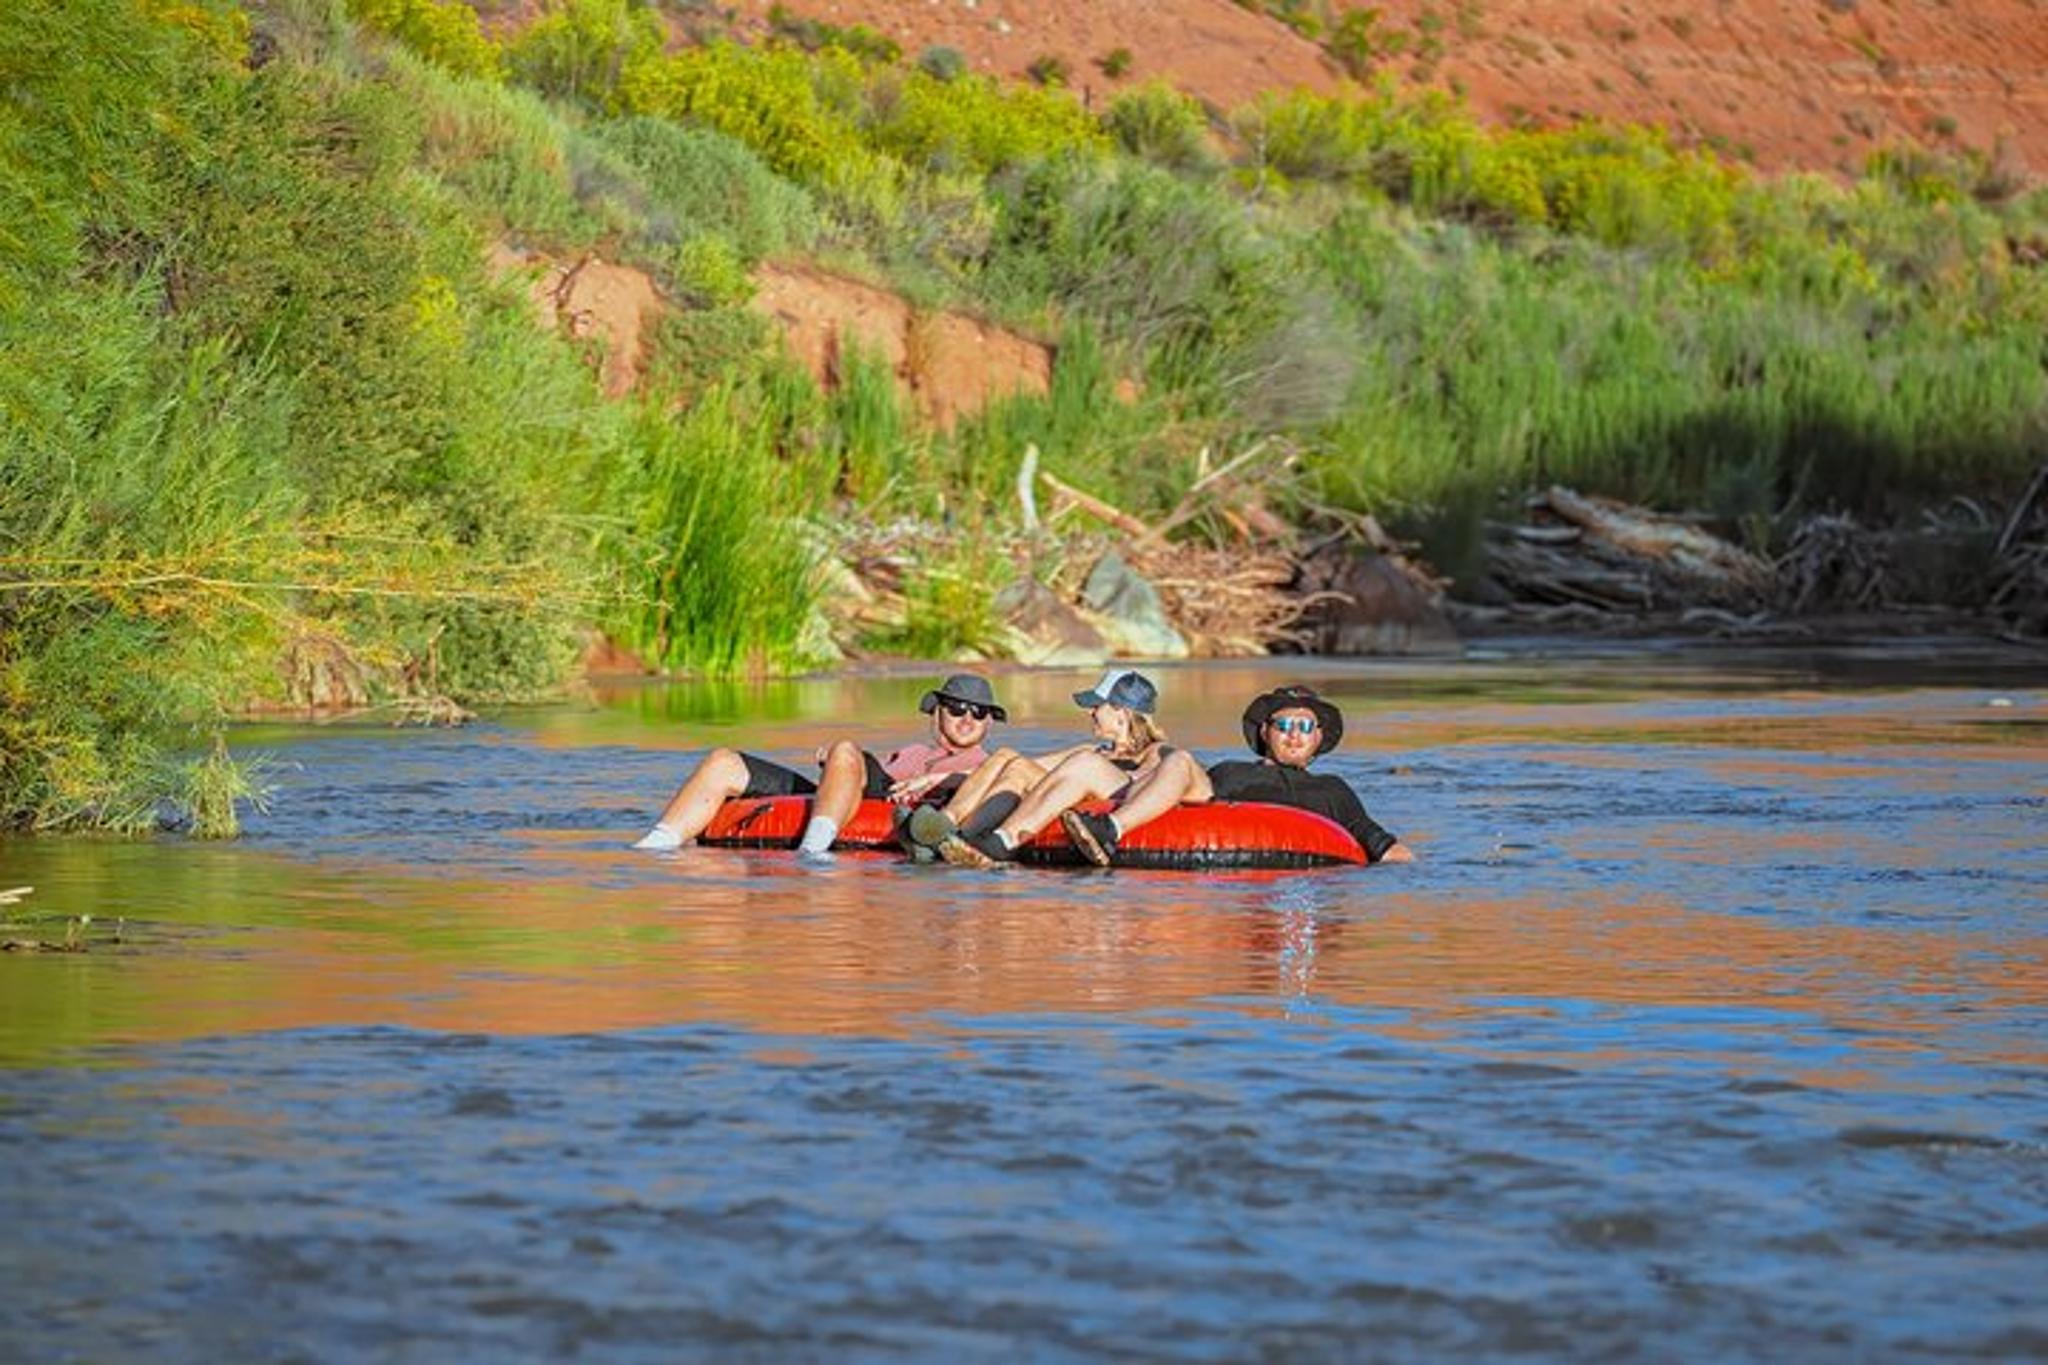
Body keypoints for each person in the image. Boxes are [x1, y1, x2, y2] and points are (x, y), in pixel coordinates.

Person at [631, 673, 1006, 856]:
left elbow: (1012, 781)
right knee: (724, 760)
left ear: (990, 722)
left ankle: (813, 852)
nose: (968, 718)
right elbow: (860, 768)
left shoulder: (989, 763)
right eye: (957, 708)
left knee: (845, 749)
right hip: (863, 790)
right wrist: (840, 766)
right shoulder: (907, 752)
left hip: (900, 810)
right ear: (936, 712)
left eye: (979, 712)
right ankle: (656, 844)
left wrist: (945, 776)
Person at [1058, 684, 1413, 867]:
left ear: (1318, 736)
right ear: (1265, 733)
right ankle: (1108, 829)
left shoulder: (1334, 791)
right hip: (1214, 877)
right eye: (1284, 725)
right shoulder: (1231, 772)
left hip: (1302, 874)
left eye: (1305, 726)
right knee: (1179, 761)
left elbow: (1382, 846)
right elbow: (1177, 802)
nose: (1294, 734)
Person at [913, 668, 1172, 869]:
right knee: (1008, 757)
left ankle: (970, 837)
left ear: (1122, 712)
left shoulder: (1154, 751)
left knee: (1074, 764)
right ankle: (949, 830)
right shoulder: (1094, 751)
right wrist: (935, 779)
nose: (1090, 712)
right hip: (1070, 792)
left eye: (1097, 706)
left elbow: (1152, 783)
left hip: (1108, 800)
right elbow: (1025, 765)